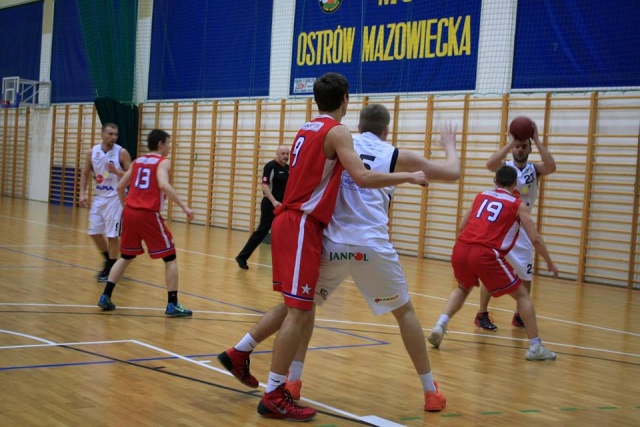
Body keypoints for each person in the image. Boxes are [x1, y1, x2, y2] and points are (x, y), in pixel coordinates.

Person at [218, 104, 460, 413]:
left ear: (358, 126)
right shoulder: (394, 154)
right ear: (386, 130)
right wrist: (449, 145)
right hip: (372, 245)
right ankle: (429, 392)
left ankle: (293, 380)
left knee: (300, 308)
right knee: (404, 312)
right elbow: (452, 173)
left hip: (331, 243)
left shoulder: (338, 141)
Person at [427, 165, 559, 361]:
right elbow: (535, 238)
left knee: (462, 288)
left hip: (462, 248)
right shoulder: (517, 204)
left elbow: (462, 226)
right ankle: (535, 346)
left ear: (495, 181)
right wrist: (549, 261)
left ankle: (441, 324)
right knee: (522, 295)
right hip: (485, 253)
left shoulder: (481, 196)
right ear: (515, 184)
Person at [97, 129, 194, 317]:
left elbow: (120, 186)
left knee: (126, 256)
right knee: (170, 257)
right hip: (148, 214)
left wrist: (126, 206)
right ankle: (172, 303)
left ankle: (105, 296)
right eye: (168, 143)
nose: (169, 147)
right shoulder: (163, 162)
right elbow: (163, 185)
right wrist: (185, 207)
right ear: (160, 144)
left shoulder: (138, 161)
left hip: (130, 213)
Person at [474, 121, 556, 330]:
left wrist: (537, 139)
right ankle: (482, 313)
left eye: (523, 146)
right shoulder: (504, 167)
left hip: (523, 227)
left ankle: (519, 315)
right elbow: (489, 164)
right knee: (491, 272)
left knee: (525, 273)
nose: (519, 149)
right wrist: (510, 143)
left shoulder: (534, 169)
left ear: (529, 149)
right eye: (517, 146)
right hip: (501, 227)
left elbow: (551, 167)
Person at [79, 123, 132, 282]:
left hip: (115, 198)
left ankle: (111, 268)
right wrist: (82, 193)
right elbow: (85, 173)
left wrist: (117, 172)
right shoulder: (92, 152)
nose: (113, 137)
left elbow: (132, 176)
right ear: (102, 135)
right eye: (110, 134)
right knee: (94, 232)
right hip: (99, 197)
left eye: (115, 134)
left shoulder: (121, 153)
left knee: (112, 235)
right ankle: (108, 261)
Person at [235, 146, 290, 269]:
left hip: (283, 206)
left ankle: (286, 262)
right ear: (277, 154)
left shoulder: (288, 168)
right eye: (283, 153)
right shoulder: (270, 166)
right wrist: (274, 201)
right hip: (270, 205)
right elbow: (265, 186)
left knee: (286, 233)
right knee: (262, 231)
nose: (286, 156)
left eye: (287, 153)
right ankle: (242, 257)